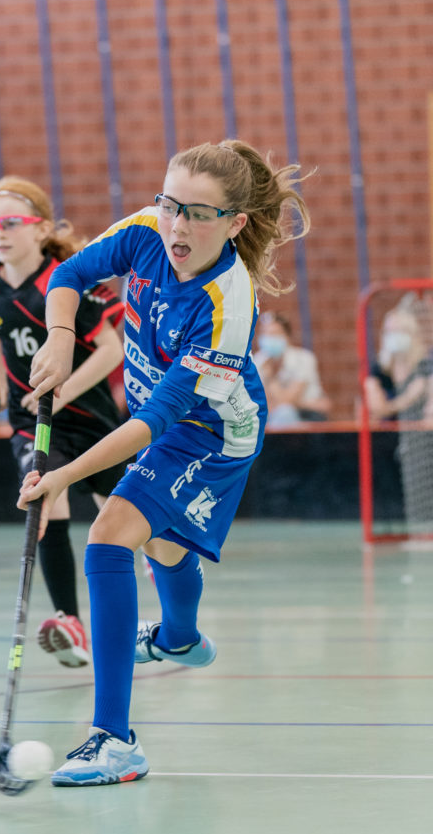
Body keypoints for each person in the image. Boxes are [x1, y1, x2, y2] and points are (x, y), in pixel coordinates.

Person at [20, 139, 310, 786]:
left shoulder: (227, 304)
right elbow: (66, 276)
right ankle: (178, 636)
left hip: (213, 432)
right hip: (164, 417)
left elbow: (152, 423)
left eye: (198, 214)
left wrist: (62, 477)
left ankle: (114, 740)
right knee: (164, 545)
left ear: (234, 223)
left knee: (110, 534)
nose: (177, 225)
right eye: (171, 204)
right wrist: (61, 339)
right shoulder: (148, 230)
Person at [0, 175, 125, 669]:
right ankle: (69, 622)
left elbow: (111, 351)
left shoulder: (65, 282)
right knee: (44, 502)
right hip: (32, 424)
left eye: (10, 222)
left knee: (124, 518)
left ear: (40, 228)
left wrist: (61, 393)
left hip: (92, 420)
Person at [362, 298, 433, 422]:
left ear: (411, 333)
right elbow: (377, 407)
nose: (393, 336)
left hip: (418, 429)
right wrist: (406, 399)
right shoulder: (378, 370)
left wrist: (390, 406)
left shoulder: (423, 367)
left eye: (398, 331)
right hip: (389, 430)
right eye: (389, 332)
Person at [253, 311, 330, 424]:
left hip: (307, 416)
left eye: (275, 334)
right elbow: (261, 403)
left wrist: (270, 378)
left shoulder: (303, 359)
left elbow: (287, 401)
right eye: (266, 333)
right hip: (273, 418)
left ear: (287, 337)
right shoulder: (257, 361)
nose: (269, 338)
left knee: (285, 413)